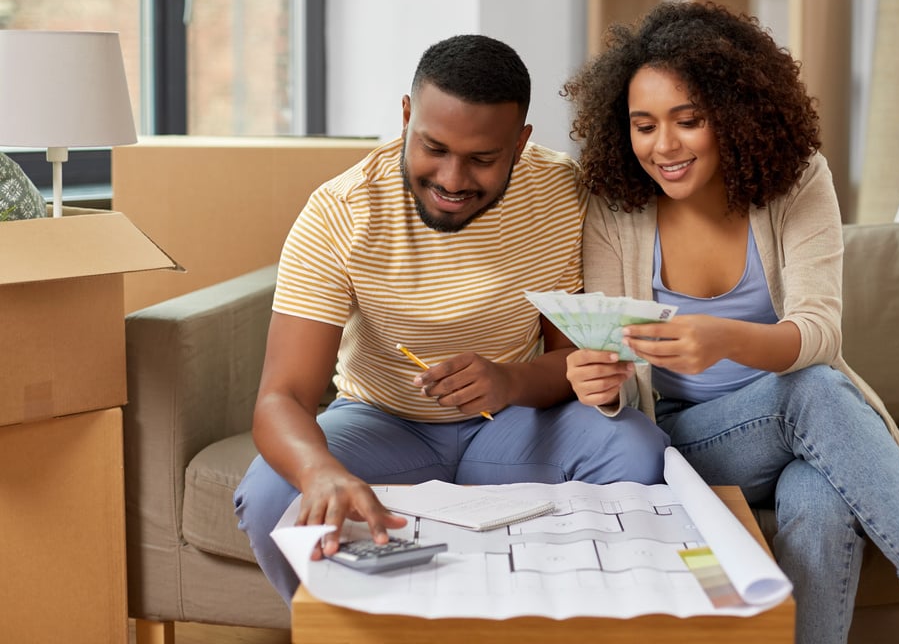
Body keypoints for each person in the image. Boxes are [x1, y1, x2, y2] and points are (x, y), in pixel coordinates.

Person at [561, 0, 899, 644]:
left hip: (804, 427)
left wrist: (724, 338)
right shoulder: (617, 209)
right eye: (643, 126)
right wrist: (599, 385)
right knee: (809, 390)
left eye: (687, 121)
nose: (663, 146)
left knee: (821, 501)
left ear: (734, 116)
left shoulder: (797, 182)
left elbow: (821, 333)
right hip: (691, 443)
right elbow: (615, 367)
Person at [234, 34, 669, 604]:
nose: (452, 179)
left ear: (520, 143)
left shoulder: (561, 192)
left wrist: (510, 379)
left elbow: (573, 359)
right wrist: (319, 471)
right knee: (271, 493)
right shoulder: (340, 212)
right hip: (381, 423)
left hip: (514, 423)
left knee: (638, 450)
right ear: (407, 115)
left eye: (482, 159)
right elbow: (281, 397)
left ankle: (565, 621)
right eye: (433, 147)